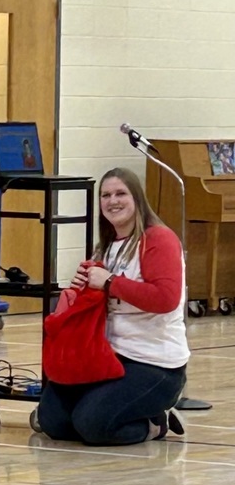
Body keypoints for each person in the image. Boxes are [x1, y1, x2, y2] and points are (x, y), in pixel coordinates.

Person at [33, 167, 189, 445]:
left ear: (137, 198)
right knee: (53, 421)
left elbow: (165, 299)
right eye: (105, 195)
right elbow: (93, 301)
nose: (112, 201)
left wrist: (109, 282)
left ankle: (156, 423)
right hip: (106, 356)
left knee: (93, 425)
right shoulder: (104, 246)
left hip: (154, 364)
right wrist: (78, 288)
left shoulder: (158, 239)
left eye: (120, 193)